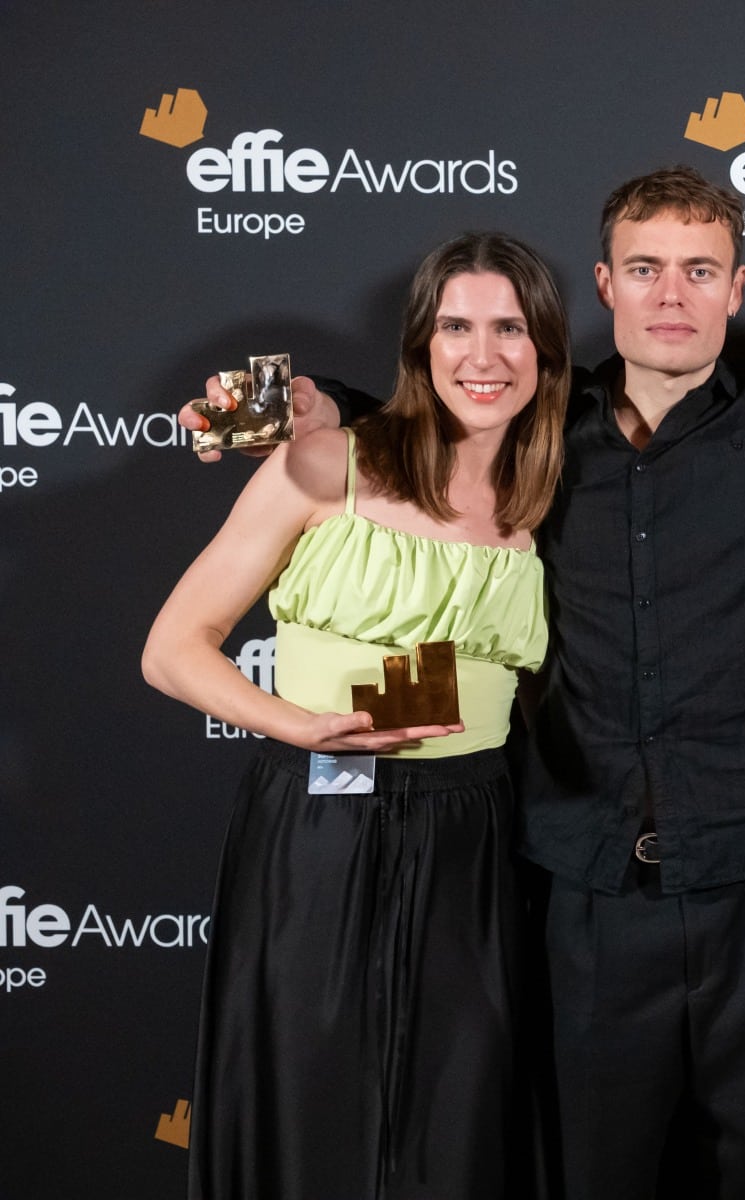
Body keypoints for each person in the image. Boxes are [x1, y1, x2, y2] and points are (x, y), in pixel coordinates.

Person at [180, 166, 745, 1200]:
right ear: (604, 284)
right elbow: (427, 423)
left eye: (700, 271)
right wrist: (319, 403)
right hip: (582, 883)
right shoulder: (539, 429)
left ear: (737, 288)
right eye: (645, 269)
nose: (671, 295)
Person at [144, 231, 570, 1200]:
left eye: (510, 328)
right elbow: (171, 648)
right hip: (321, 816)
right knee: (313, 1094)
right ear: (421, 344)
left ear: (545, 347)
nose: (483, 355)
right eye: (456, 327)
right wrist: (295, 727)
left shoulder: (546, 491)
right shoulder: (324, 463)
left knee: (456, 1113)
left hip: (475, 829)